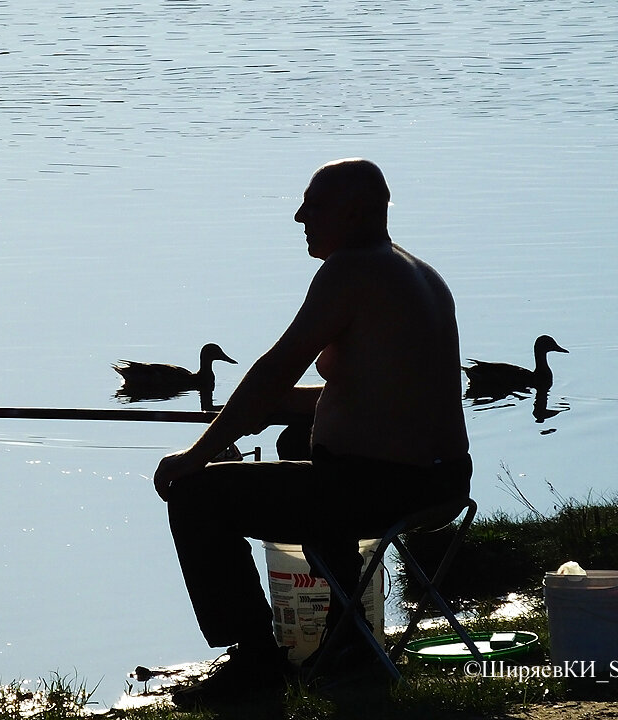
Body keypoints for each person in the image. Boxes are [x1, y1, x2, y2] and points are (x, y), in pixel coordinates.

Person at [152, 158, 471, 706]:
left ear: (355, 212)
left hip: (386, 488)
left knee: (195, 495)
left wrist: (197, 454)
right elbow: (372, 391)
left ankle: (255, 660)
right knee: (297, 442)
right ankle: (347, 636)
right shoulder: (417, 272)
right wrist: (254, 409)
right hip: (441, 481)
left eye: (314, 206)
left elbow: (277, 369)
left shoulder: (349, 270)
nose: (300, 217)